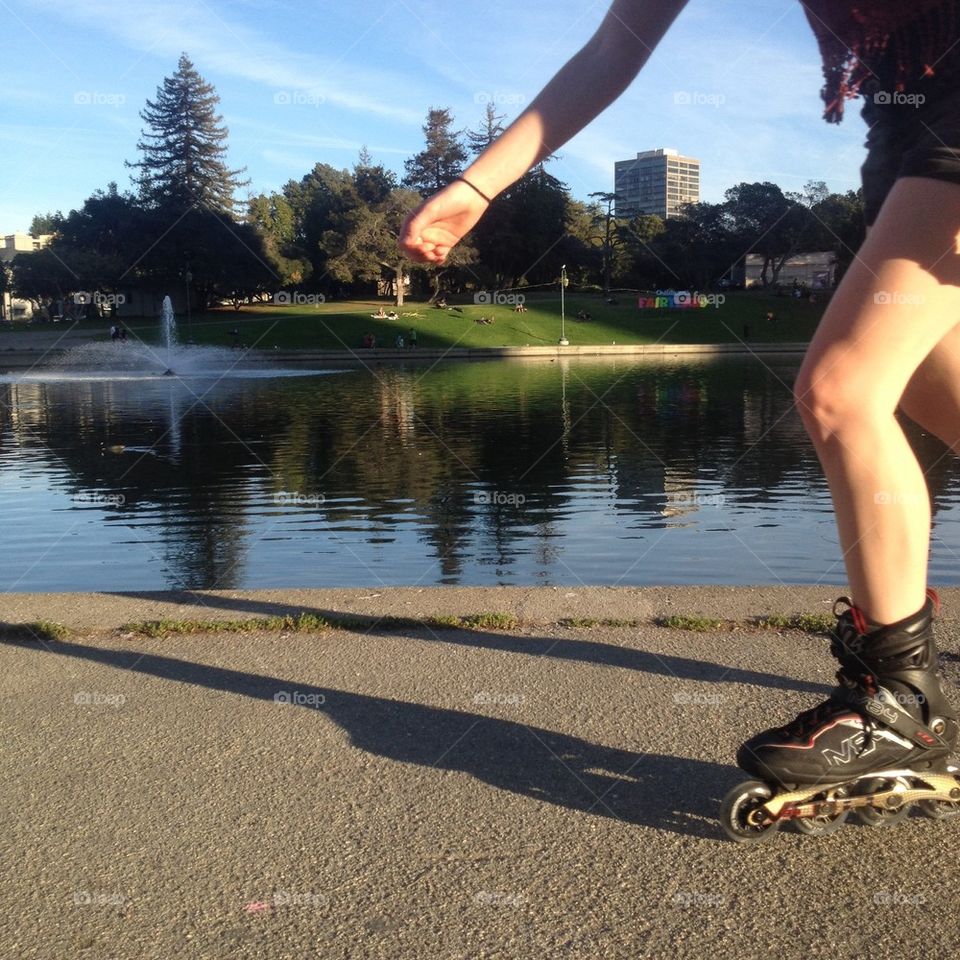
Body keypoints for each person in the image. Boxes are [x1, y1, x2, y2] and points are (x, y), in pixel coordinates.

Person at [398, 0, 960, 817]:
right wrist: (479, 185)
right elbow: (613, 48)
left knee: (843, 389)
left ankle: (900, 707)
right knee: (917, 385)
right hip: (903, 126)